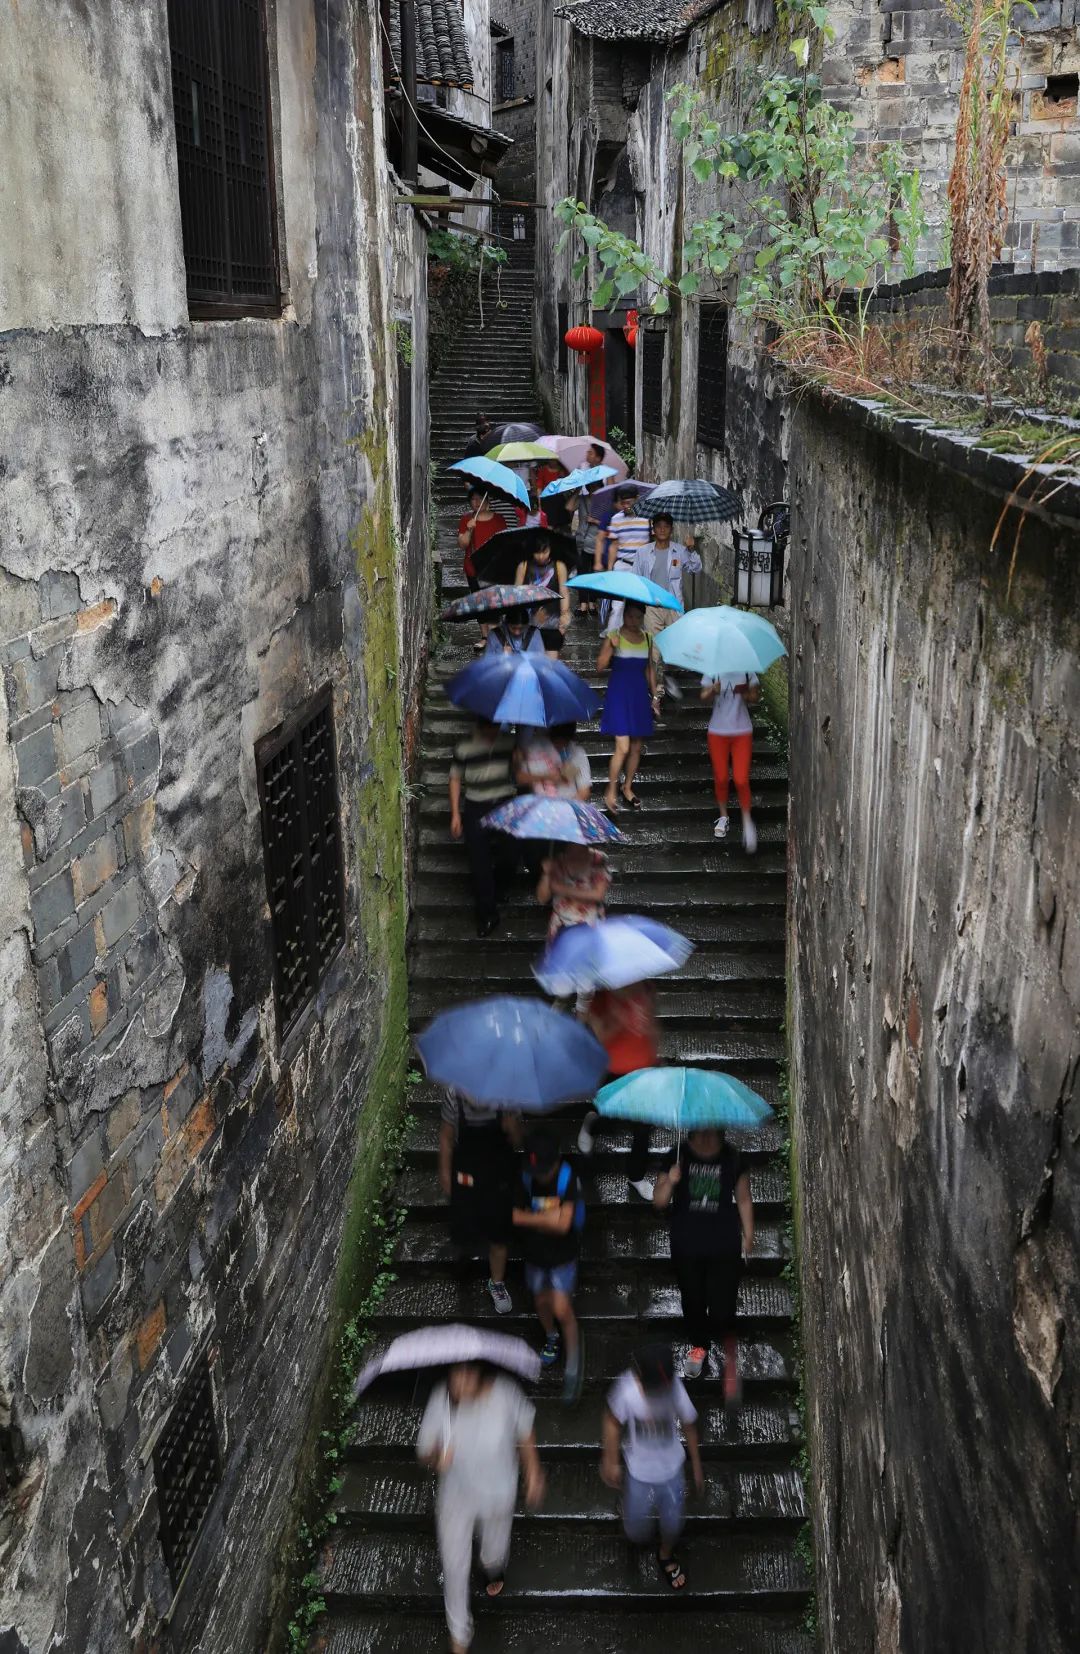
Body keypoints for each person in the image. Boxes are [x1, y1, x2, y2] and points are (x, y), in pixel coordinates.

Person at [417, 1360, 545, 1654]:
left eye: (467, 1374)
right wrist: (438, 1458)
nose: (459, 1382)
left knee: (493, 1555)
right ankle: (459, 1633)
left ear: (481, 1375)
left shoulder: (504, 1394)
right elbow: (424, 1450)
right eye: (455, 1375)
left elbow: (525, 1431)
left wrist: (534, 1472)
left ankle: (492, 1566)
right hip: (456, 1498)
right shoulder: (442, 1399)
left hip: (497, 1494)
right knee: (454, 1564)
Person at [653, 1127, 754, 1397]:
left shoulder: (732, 1158)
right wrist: (670, 1181)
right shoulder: (677, 1156)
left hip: (723, 1246)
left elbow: (743, 1199)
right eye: (702, 1131)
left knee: (722, 1306)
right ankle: (699, 1345)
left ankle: (726, 1342)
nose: (707, 1137)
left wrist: (749, 1235)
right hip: (687, 1246)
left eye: (712, 1130)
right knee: (693, 1301)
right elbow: (659, 1201)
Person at [601, 1343, 703, 1590]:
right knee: (635, 1529)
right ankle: (631, 1512)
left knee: (673, 1523)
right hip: (638, 1471)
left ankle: (665, 1553)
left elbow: (689, 1425)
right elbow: (613, 1422)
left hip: (672, 1470)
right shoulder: (627, 1390)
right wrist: (611, 1460)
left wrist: (697, 1466)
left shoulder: (674, 1388)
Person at [513, 1127, 585, 1401]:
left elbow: (563, 1225)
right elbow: (513, 1216)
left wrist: (528, 1219)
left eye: (545, 1169)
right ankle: (551, 1337)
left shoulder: (568, 1180)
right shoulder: (525, 1178)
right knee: (541, 1301)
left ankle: (574, 1355)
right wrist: (547, 1220)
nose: (541, 1175)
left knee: (561, 1305)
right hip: (535, 1257)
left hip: (562, 1258)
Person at [439, 1092, 520, 1314]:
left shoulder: (506, 1096)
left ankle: (497, 1282)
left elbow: (516, 1139)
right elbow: (446, 1137)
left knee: (499, 1233)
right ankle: (465, 1251)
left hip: (498, 1176)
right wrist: (446, 1175)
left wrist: (511, 1127)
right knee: (465, 1223)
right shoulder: (454, 1095)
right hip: (467, 1173)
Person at [577, 981, 658, 1201]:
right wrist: (618, 1018)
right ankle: (593, 1124)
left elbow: (649, 1022)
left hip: (643, 1069)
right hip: (614, 1071)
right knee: (611, 1118)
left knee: (643, 1129)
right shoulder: (600, 998)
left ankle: (636, 1175)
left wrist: (654, 1049)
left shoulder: (644, 987)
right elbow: (599, 1036)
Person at [449, 717, 519, 936]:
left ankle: (499, 887)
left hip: (504, 804)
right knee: (479, 863)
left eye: (497, 727)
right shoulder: (464, 746)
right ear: (481, 725)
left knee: (512, 854)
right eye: (490, 728)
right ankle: (487, 914)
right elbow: (455, 779)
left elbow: (518, 772)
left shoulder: (509, 742)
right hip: (476, 806)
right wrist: (455, 815)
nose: (494, 732)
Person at [597, 601, 658, 811]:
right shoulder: (614, 635)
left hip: (639, 695)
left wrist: (655, 696)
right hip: (619, 695)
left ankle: (627, 786)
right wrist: (611, 647)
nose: (634, 621)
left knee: (636, 747)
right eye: (630, 616)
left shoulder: (648, 638)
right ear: (624, 616)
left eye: (638, 617)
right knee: (622, 747)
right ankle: (611, 789)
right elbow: (599, 666)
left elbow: (649, 669)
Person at [701, 671, 760, 853]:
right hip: (717, 731)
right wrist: (713, 690)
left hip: (742, 731)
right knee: (721, 777)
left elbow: (756, 697)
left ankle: (747, 820)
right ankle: (723, 816)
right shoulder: (712, 668)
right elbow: (703, 696)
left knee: (741, 778)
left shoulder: (747, 669)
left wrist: (746, 693)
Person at [631, 511, 701, 641]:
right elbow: (635, 578)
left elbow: (695, 568)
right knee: (654, 646)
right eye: (658, 526)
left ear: (672, 530)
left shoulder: (680, 551)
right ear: (653, 529)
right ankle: (655, 662)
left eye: (666, 526)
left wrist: (691, 550)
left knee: (675, 644)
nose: (662, 529)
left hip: (673, 605)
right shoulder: (643, 552)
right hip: (652, 606)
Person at [458, 487, 508, 650]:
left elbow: (503, 544)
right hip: (473, 568)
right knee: (479, 602)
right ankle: (485, 636)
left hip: (493, 569)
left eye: (480, 499)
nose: (476, 502)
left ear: (487, 501)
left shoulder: (499, 520)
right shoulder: (467, 519)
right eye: (473, 500)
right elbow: (462, 544)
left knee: (493, 603)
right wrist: (469, 529)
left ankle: (495, 637)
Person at [514, 533, 571, 657]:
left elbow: (564, 592)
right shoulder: (524, 566)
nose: (540, 556)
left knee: (550, 667)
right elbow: (516, 595)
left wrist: (565, 614)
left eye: (544, 552)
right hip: (529, 624)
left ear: (550, 549)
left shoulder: (559, 566)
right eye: (537, 552)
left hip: (553, 624)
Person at [537, 842, 610, 937]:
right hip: (561, 926)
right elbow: (542, 899)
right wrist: (546, 874)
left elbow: (598, 894)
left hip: (589, 925)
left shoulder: (598, 859)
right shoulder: (557, 860)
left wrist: (562, 889)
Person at [515, 722, 592, 801]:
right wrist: (546, 777)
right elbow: (520, 778)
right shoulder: (533, 748)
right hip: (539, 805)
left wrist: (565, 808)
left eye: (565, 742)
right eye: (556, 742)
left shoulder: (577, 753)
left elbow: (584, 791)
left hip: (567, 806)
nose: (560, 747)